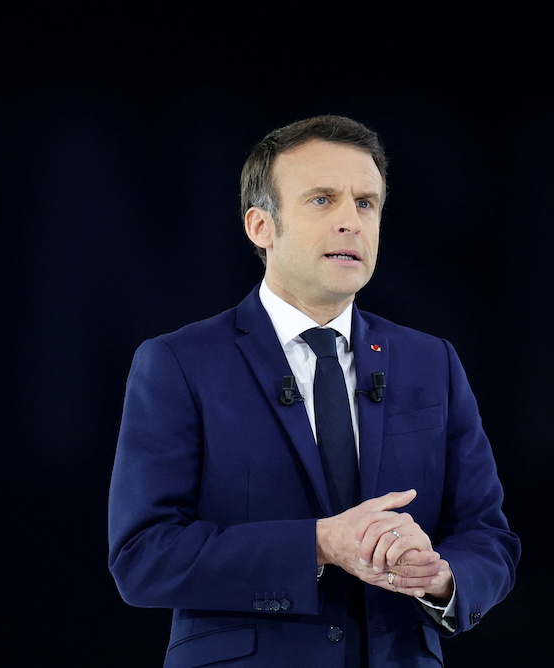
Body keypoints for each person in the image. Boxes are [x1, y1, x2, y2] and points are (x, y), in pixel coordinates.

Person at [107, 115, 521, 667]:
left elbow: (488, 538)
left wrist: (442, 577)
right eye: (323, 200)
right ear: (262, 227)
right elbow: (144, 558)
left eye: (366, 203)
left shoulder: (432, 362)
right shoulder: (180, 364)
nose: (351, 221)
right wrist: (321, 544)